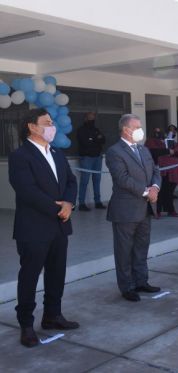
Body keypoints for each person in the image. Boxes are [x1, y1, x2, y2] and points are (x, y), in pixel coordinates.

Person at [8, 108, 79, 348]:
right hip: (34, 227)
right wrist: (57, 208)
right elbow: (27, 191)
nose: (52, 127)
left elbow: (71, 180)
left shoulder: (57, 153)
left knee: (56, 273)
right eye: (47, 123)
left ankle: (52, 315)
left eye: (52, 123)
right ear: (32, 126)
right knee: (29, 276)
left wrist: (69, 203)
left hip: (60, 226)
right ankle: (26, 324)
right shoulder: (20, 156)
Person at [105, 114, 162, 302]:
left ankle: (141, 281)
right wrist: (147, 192)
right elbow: (122, 179)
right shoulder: (115, 152)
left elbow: (155, 170)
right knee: (124, 250)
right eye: (137, 127)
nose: (140, 130)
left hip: (145, 208)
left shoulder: (143, 150)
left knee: (141, 248)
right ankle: (127, 286)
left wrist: (155, 187)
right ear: (126, 130)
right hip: (126, 210)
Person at [145, 128, 178, 217]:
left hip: (171, 171)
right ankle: (156, 211)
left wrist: (173, 151)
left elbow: (177, 151)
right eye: (156, 132)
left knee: (168, 192)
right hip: (157, 170)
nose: (158, 134)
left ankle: (170, 209)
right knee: (158, 191)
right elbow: (152, 152)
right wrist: (167, 151)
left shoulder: (168, 141)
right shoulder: (149, 142)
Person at [77, 112, 106, 211]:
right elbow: (85, 143)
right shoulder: (81, 130)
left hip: (97, 157)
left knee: (97, 180)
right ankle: (81, 203)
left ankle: (97, 202)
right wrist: (95, 139)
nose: (92, 120)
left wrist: (93, 139)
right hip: (86, 158)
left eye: (93, 118)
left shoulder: (96, 129)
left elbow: (103, 140)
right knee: (84, 181)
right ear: (85, 118)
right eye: (90, 118)